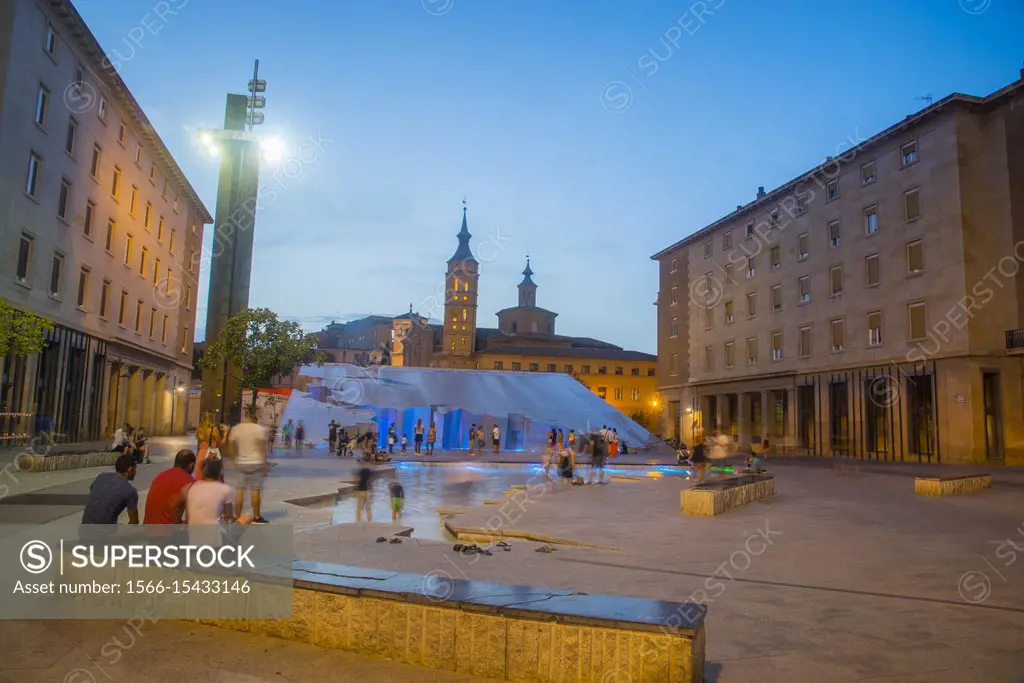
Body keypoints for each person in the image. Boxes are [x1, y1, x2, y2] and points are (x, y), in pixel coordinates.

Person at [227, 412, 269, 524]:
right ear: (255, 419)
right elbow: (262, 447)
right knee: (255, 489)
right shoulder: (260, 429)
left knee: (240, 490)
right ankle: (256, 516)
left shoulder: (236, 428)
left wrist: (234, 457)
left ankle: (237, 515)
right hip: (256, 462)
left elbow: (230, 445)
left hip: (241, 462)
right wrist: (264, 463)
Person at [82, 453, 139, 524]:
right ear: (130, 469)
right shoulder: (130, 490)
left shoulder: (101, 476)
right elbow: (134, 523)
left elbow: (94, 495)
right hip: (104, 533)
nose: (135, 473)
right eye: (135, 468)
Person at [143, 449, 196, 524]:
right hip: (168, 532)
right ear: (191, 465)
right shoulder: (189, 482)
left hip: (147, 529)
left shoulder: (160, 476)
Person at [186, 457, 235, 524]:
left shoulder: (193, 487)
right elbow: (229, 517)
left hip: (193, 532)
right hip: (214, 532)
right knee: (246, 518)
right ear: (220, 472)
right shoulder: (225, 489)